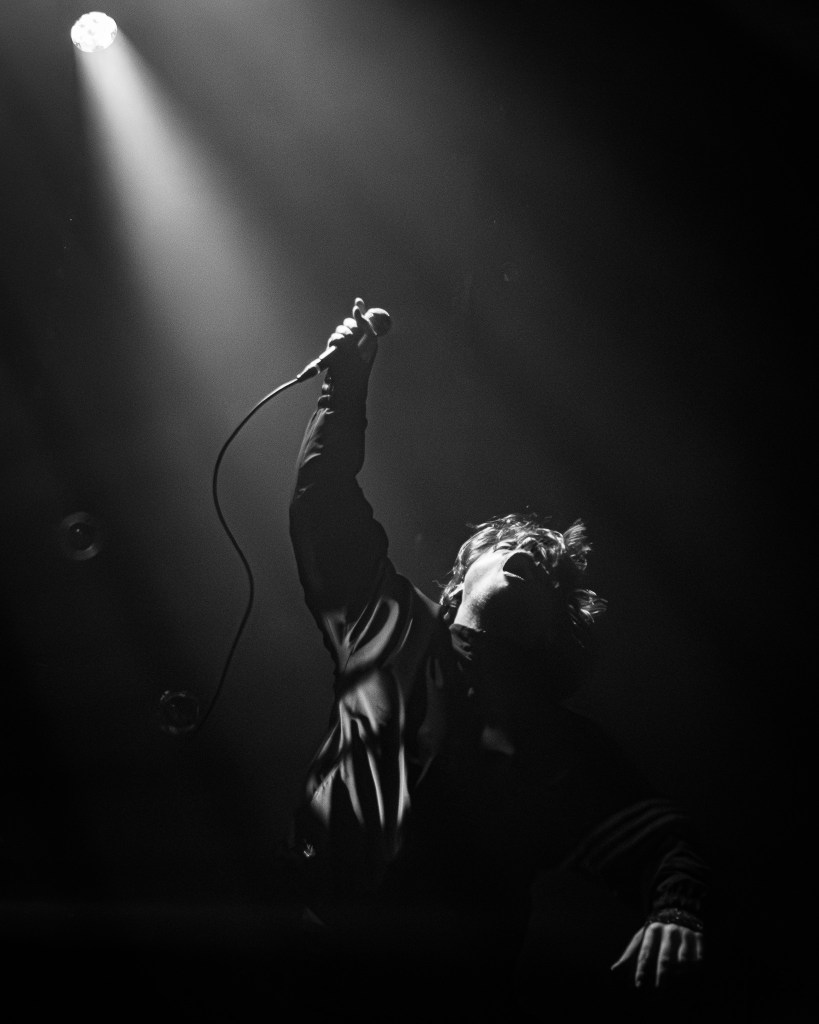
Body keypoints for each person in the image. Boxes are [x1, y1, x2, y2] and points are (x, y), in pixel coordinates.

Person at [283, 298, 709, 1015]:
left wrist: (677, 911)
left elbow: (662, 838)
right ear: (453, 589)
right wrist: (344, 387)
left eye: (546, 573)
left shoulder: (565, 743)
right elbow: (322, 502)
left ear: (552, 631)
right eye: (509, 551)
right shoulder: (393, 627)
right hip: (316, 967)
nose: (527, 562)